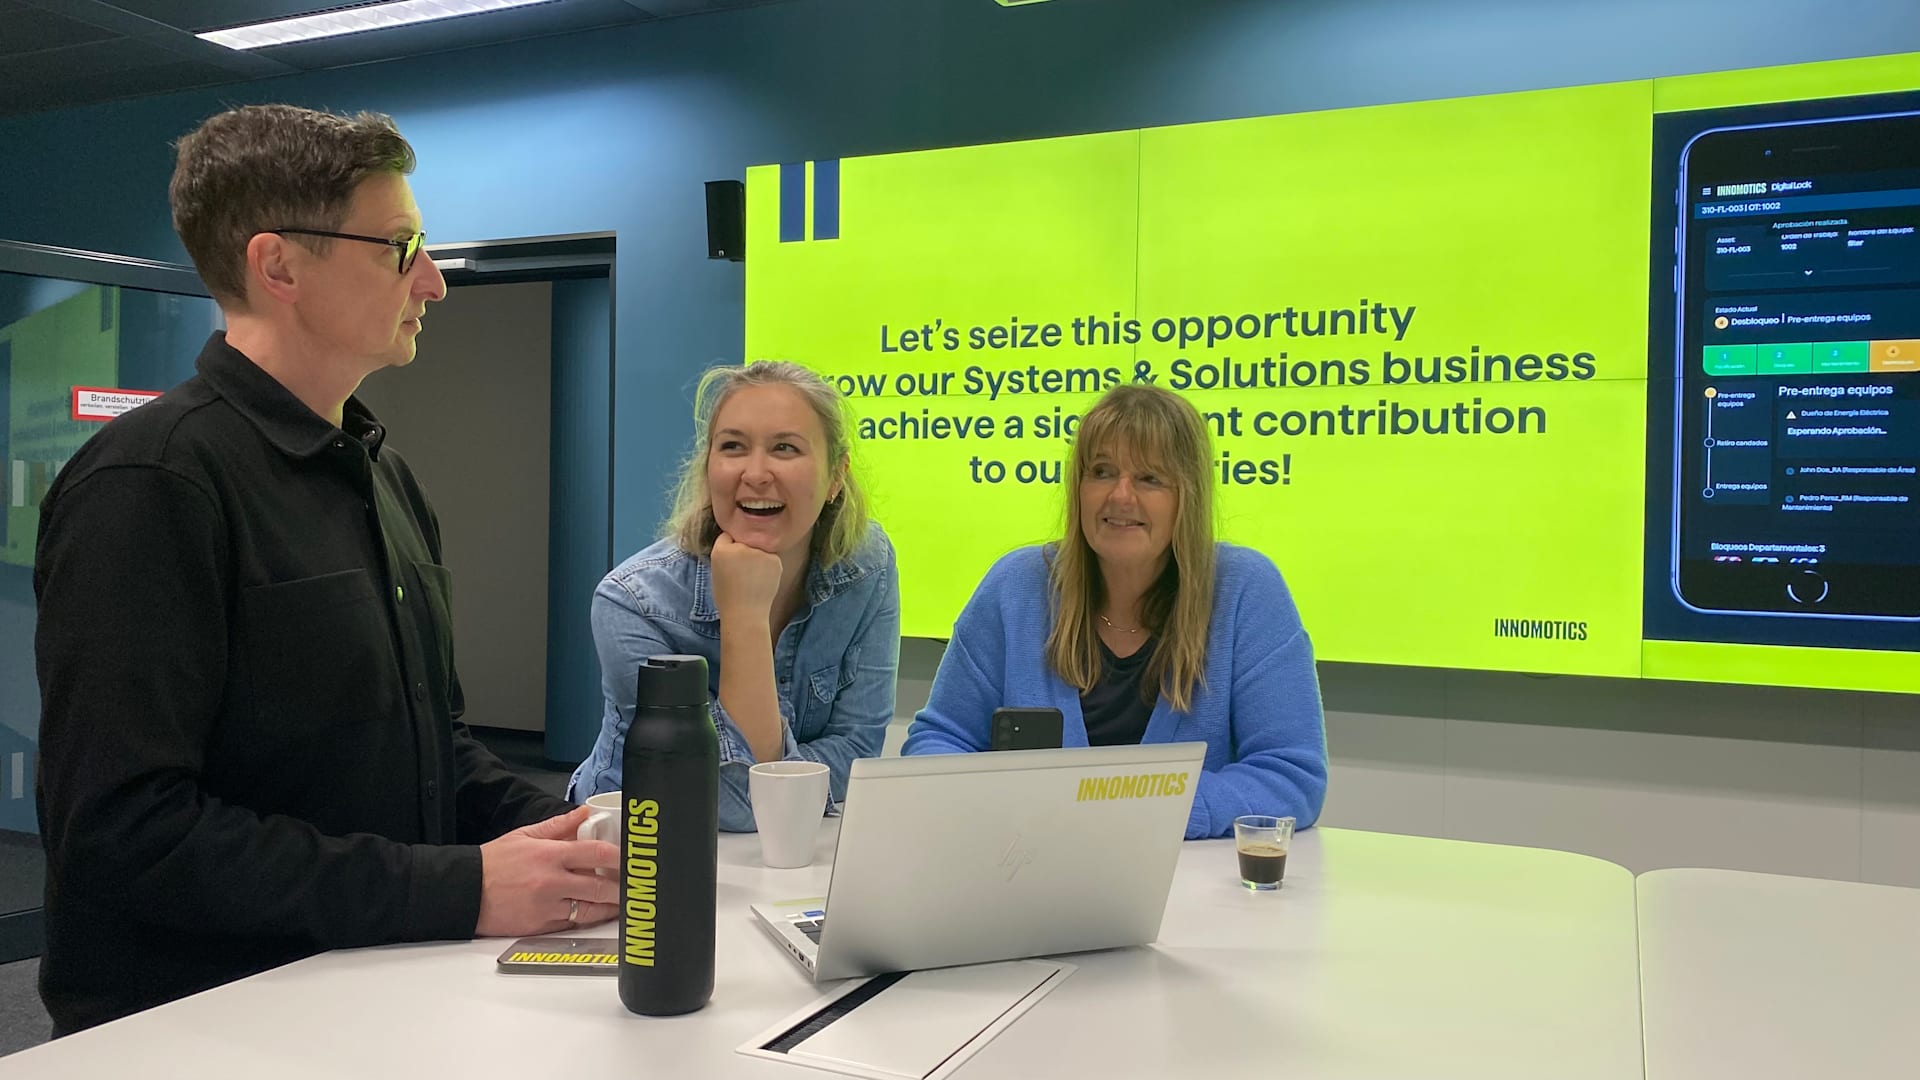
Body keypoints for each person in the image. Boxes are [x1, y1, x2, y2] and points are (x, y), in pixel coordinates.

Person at [32, 105, 616, 1036]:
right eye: (401, 246)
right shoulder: (152, 483)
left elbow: (433, 749)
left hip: (373, 995)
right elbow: (124, 835)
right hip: (201, 1030)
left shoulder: (383, 473)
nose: (432, 280)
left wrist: (576, 827)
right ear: (279, 265)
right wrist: (462, 887)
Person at [903, 383, 1327, 838]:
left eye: (1150, 479)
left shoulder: (1247, 591)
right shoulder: (1017, 587)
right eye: (1102, 472)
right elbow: (936, 742)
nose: (1121, 496)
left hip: (1194, 889)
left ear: (1189, 495)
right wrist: (1002, 806)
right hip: (1027, 877)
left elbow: (1291, 777)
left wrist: (1144, 812)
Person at [569, 361, 899, 831]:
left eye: (785, 448)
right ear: (708, 467)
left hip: (784, 855)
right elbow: (733, 800)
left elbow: (858, 750)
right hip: (635, 854)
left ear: (835, 477)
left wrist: (779, 789)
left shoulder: (867, 565)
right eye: (733, 447)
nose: (756, 473)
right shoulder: (633, 603)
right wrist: (744, 614)